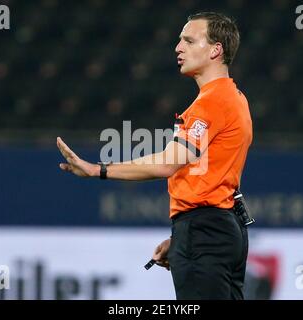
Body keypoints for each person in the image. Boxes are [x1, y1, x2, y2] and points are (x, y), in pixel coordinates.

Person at [56, 12, 252, 300]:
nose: (178, 47)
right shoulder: (236, 98)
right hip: (221, 228)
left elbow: (165, 164)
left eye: (188, 40)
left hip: (206, 230)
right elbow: (212, 176)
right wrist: (184, 238)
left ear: (215, 50)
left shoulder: (211, 102)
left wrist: (96, 169)